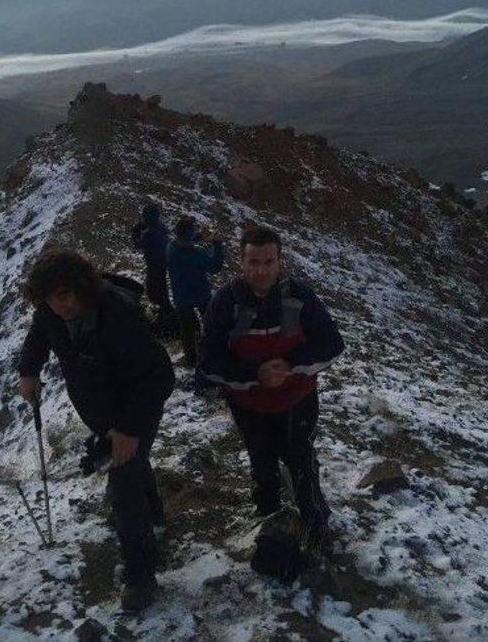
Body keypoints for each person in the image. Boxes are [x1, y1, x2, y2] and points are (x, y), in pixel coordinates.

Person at [18, 248, 175, 613]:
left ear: (81, 286)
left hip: (137, 408)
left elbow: (159, 376)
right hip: (100, 412)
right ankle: (154, 517)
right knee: (133, 469)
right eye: (51, 299)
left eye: (65, 295)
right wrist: (28, 370)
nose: (60, 306)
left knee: (121, 487)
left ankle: (141, 576)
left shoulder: (118, 315)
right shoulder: (51, 312)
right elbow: (40, 333)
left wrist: (128, 430)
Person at [198, 225, 344, 553]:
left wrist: (290, 364)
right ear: (241, 261)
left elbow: (332, 343)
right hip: (250, 406)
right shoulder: (225, 303)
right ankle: (269, 521)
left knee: (302, 462)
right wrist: (255, 374)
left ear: (279, 261)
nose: (261, 270)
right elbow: (208, 361)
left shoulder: (299, 296)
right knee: (262, 466)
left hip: (298, 401)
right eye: (253, 262)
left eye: (268, 261)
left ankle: (316, 523)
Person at [167, 216, 224, 366]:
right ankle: (213, 351)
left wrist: (198, 237)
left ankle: (191, 359)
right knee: (210, 323)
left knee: (186, 330)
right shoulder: (196, 255)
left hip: (180, 296)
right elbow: (215, 267)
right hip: (201, 295)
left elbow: (184, 244)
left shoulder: (170, 248)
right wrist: (217, 244)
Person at [131, 202, 176, 337]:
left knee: (156, 294)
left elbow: (137, 245)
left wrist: (135, 232)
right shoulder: (161, 228)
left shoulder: (149, 233)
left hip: (154, 266)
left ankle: (169, 323)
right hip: (161, 264)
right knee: (160, 292)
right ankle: (167, 319)